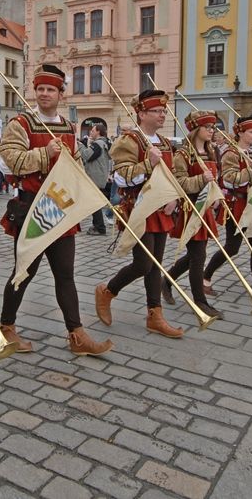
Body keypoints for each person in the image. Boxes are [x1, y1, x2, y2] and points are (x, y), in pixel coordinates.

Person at [0, 64, 112, 356]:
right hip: (32, 208)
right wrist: (44, 153)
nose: (44, 94)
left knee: (66, 274)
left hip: (60, 210)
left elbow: (75, 166)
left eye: (51, 89)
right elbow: (11, 160)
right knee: (24, 271)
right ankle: (6, 327)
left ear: (61, 93)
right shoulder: (21, 123)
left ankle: (76, 334)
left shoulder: (68, 126)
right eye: (40, 89)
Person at [95, 89, 184, 337]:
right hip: (139, 209)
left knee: (156, 264)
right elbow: (121, 178)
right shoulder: (129, 140)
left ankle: (155, 315)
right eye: (157, 111)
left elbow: (174, 176)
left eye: (164, 110)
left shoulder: (166, 143)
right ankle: (108, 291)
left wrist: (174, 199)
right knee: (144, 263)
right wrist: (149, 163)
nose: (162, 115)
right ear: (142, 113)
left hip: (162, 210)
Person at [201, 116, 252, 300]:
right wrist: (251, 171)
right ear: (240, 132)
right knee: (232, 248)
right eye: (251, 131)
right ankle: (206, 276)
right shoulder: (231, 153)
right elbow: (228, 179)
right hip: (238, 205)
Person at [160, 110, 222, 318]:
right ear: (196, 129)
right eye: (208, 127)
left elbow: (214, 180)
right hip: (190, 210)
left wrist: (215, 197)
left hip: (205, 208)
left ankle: (166, 281)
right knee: (198, 256)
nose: (212, 131)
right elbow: (180, 183)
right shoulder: (183, 154)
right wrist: (202, 181)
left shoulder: (211, 151)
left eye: (213, 127)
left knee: (195, 255)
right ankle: (200, 301)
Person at [80, 122, 112, 236]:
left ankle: (99, 227)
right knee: (94, 203)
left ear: (98, 131)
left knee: (94, 204)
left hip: (95, 178)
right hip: (99, 177)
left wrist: (79, 144)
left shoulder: (98, 144)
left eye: (93, 131)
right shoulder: (104, 143)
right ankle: (97, 225)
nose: (90, 133)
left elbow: (86, 155)